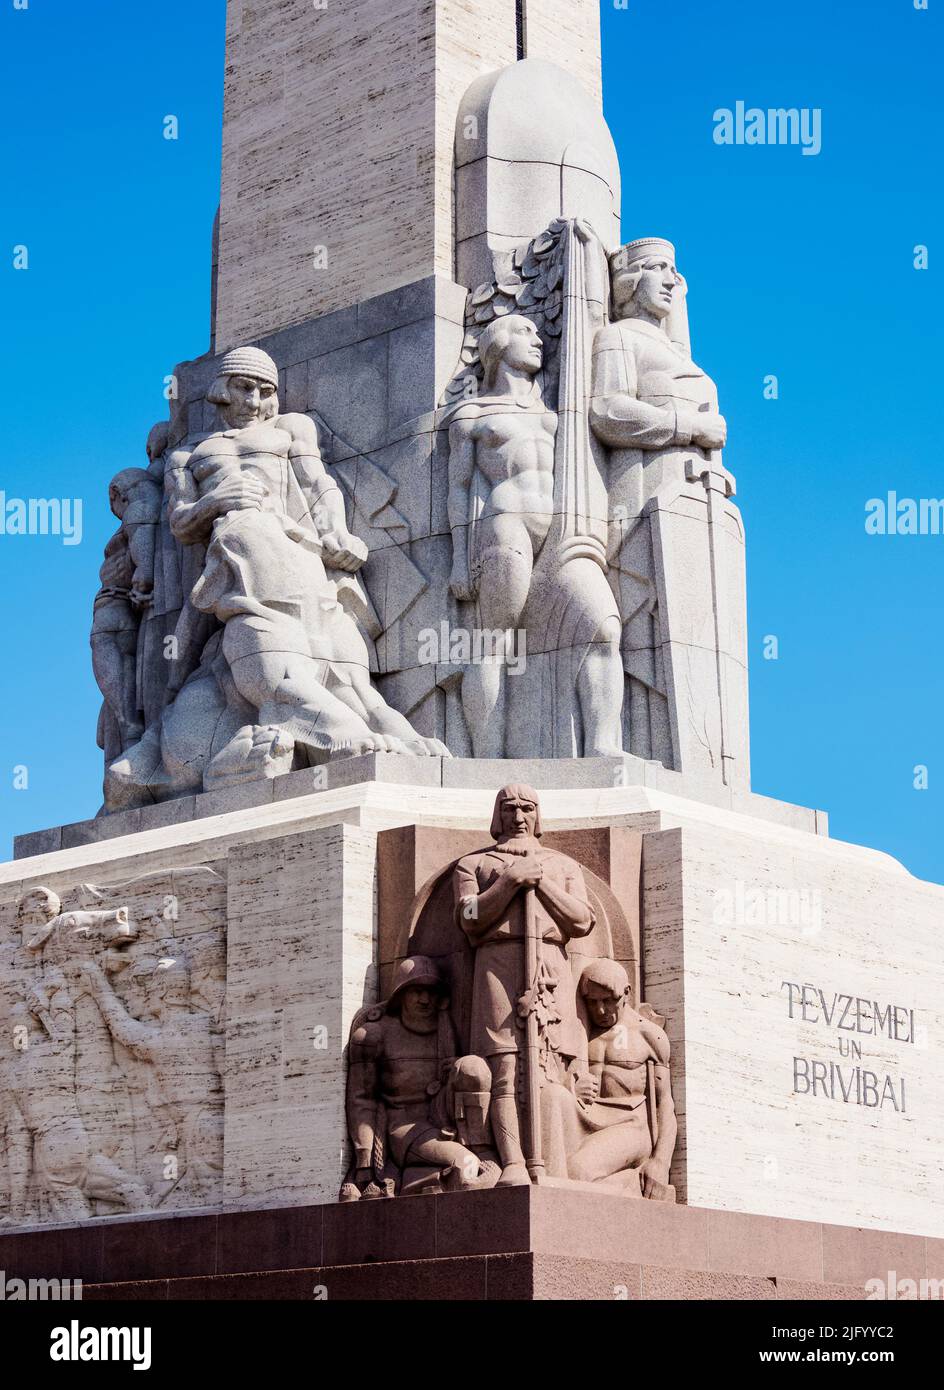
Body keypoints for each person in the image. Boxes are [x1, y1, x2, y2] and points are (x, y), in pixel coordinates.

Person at [452, 784, 594, 1185]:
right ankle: (512, 1161)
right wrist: (510, 881)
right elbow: (469, 917)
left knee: (547, 1068)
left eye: (527, 809)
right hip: (496, 963)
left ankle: (547, 1161)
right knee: (504, 1065)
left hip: (549, 964)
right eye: (509, 808)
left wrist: (540, 881)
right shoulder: (473, 865)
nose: (518, 817)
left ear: (538, 816)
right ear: (497, 816)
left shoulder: (563, 866)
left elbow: (581, 921)